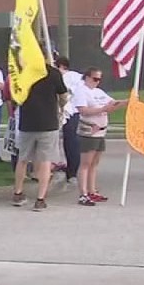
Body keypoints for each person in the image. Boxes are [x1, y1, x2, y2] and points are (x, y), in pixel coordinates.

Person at [12, 65, 69, 212]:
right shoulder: (53, 72)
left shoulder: (22, 71)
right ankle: (40, 199)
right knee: (45, 161)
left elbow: (15, 94)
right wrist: (61, 107)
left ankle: (18, 193)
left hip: (27, 121)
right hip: (48, 122)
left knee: (23, 159)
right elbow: (63, 95)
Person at [74, 67, 123, 205]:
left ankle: (92, 190)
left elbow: (112, 104)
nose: (97, 82)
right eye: (95, 79)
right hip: (89, 131)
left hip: (101, 131)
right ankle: (83, 193)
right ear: (87, 77)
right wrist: (102, 109)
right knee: (85, 163)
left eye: (99, 79)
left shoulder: (99, 92)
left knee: (94, 163)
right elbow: (83, 110)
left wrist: (126, 102)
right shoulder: (82, 91)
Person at [54, 56, 84, 187]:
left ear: (61, 66)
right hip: (54, 112)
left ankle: (72, 172)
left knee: (71, 141)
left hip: (70, 112)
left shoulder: (74, 77)